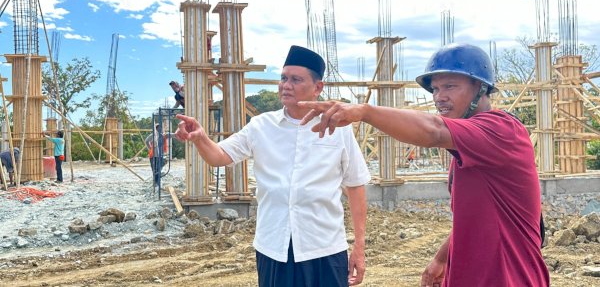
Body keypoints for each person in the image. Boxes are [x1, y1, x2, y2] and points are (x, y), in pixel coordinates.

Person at [297, 43, 549, 287]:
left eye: (450, 86)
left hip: (510, 278)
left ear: (481, 88)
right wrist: (441, 258)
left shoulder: (502, 130)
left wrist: (364, 112)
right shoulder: (468, 147)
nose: (440, 97)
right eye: (435, 89)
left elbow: (434, 130)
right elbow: (476, 218)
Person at [175, 45, 370, 287]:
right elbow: (220, 156)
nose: (286, 85)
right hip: (274, 249)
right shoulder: (261, 126)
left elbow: (355, 185)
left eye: (296, 80)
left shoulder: (339, 129)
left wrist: (359, 249)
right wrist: (201, 138)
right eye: (283, 78)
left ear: (317, 88)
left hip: (324, 248)